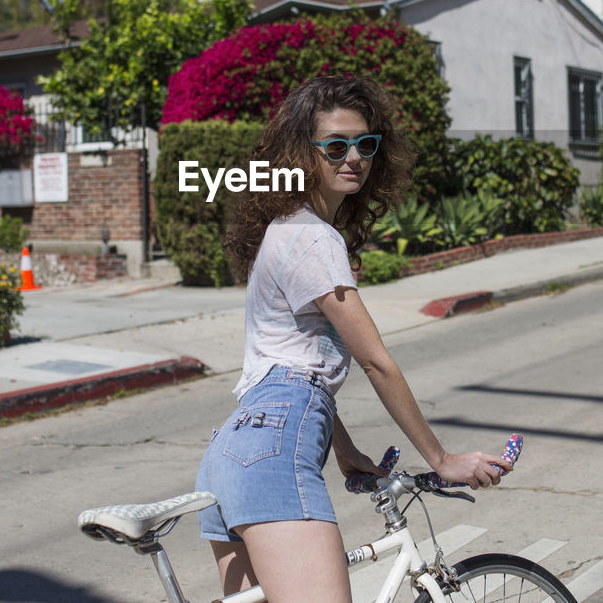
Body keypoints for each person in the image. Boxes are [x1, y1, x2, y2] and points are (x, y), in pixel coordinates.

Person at [194, 76, 511, 602]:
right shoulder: (314, 237)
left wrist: (342, 450)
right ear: (303, 154)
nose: (354, 157)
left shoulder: (286, 229)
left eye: (366, 144)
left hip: (230, 452)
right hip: (273, 449)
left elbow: (291, 367)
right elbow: (376, 362)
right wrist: (441, 459)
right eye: (336, 146)